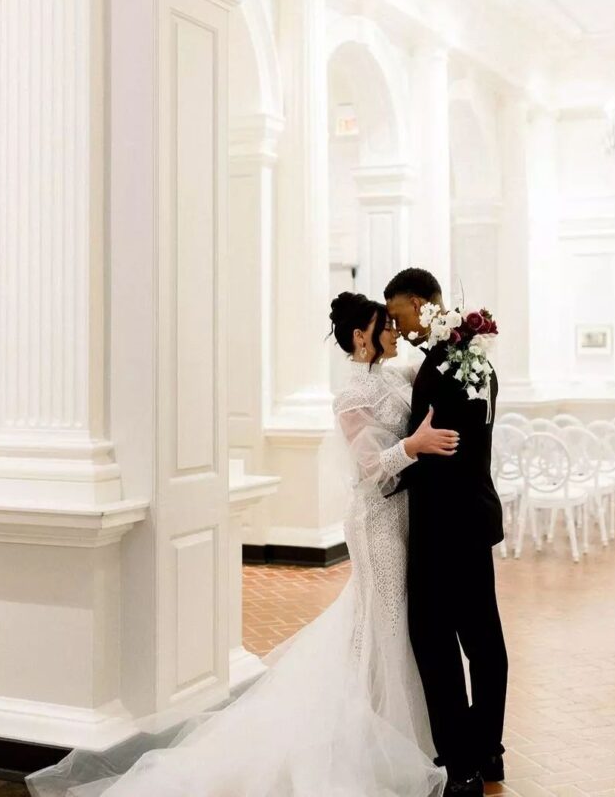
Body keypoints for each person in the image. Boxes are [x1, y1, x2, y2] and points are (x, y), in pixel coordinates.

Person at [26, 292, 456, 797]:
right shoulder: (352, 395)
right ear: (361, 335)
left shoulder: (392, 376)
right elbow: (365, 468)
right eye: (383, 324)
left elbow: (429, 373)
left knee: (389, 620)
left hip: (399, 513)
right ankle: (370, 735)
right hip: (374, 520)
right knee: (382, 618)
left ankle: (393, 729)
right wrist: (413, 446)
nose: (391, 331)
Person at [385, 267, 508, 796]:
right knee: (483, 639)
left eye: (398, 313)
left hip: (443, 526)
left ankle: (460, 767)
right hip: (474, 517)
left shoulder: (443, 367)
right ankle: (489, 749)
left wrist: (395, 462)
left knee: (432, 641)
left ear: (420, 303)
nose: (397, 324)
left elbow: (445, 449)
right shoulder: (476, 361)